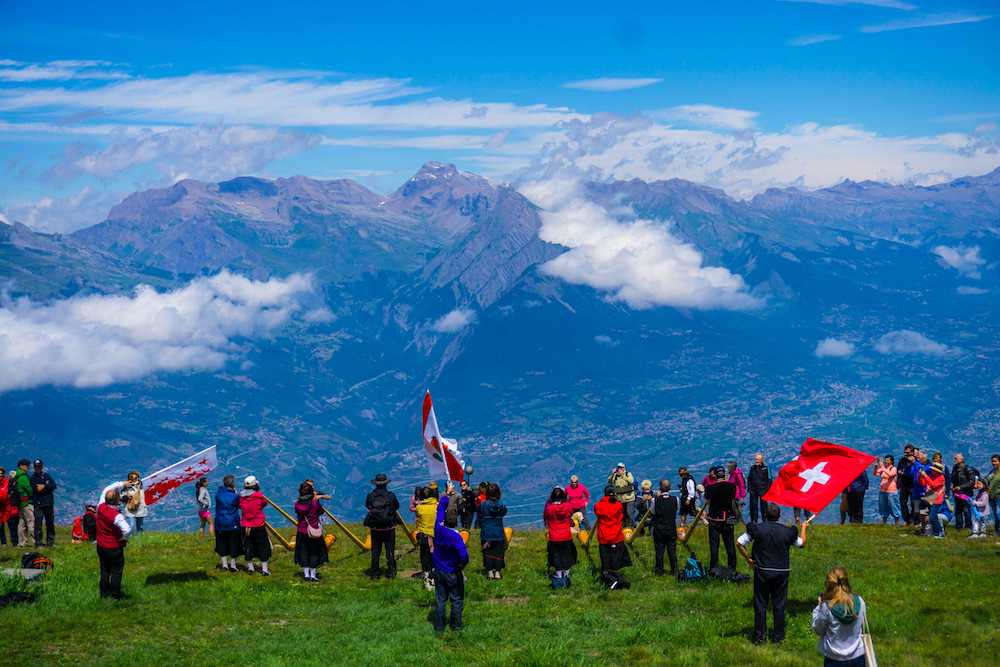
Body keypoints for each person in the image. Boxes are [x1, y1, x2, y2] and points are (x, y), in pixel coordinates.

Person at [737, 503, 810, 644]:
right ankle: (778, 637)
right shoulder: (788, 532)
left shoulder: (757, 529)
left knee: (760, 605)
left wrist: (749, 560)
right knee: (779, 605)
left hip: (762, 571)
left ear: (765, 515)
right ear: (779, 516)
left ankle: (759, 637)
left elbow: (739, 543)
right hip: (781, 573)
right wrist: (804, 528)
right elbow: (802, 543)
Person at [811, 567, 867, 666]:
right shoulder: (860, 602)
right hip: (858, 657)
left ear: (828, 585)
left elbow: (818, 629)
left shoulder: (827, 607)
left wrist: (819, 607)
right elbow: (861, 627)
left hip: (834, 659)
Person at [432, 494, 469, 633]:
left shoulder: (438, 529)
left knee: (440, 599)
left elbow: (440, 512)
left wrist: (445, 498)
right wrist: (461, 565)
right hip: (452, 570)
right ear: (456, 521)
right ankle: (456, 626)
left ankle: (439, 626)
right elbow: (464, 556)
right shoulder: (456, 536)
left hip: (438, 568)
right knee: (456, 598)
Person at [96, 488, 132, 600]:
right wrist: (123, 538)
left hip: (101, 546)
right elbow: (127, 529)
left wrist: (120, 500)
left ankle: (104, 594)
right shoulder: (116, 516)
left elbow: (106, 494)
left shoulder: (100, 507)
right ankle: (115, 596)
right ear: (116, 500)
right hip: (113, 547)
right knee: (116, 571)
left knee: (104, 570)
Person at [364, 472, 399, 579]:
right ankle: (391, 572)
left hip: (375, 528)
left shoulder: (370, 496)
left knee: (375, 551)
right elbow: (396, 506)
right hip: (389, 527)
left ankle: (375, 573)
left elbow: (367, 506)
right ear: (386, 484)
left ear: (375, 484)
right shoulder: (391, 496)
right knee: (389, 550)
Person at [704, 466, 738, 573]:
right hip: (728, 518)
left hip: (714, 519)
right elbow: (732, 500)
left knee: (714, 546)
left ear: (715, 475)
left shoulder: (710, 488)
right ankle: (732, 568)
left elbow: (708, 501)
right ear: (724, 474)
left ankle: (714, 567)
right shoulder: (732, 486)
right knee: (730, 545)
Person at [294, 482, 330, 582]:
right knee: (314, 552)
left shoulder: (297, 504)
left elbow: (299, 513)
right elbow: (321, 512)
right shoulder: (314, 502)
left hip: (302, 531)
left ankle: (306, 574)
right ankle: (313, 575)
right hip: (314, 531)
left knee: (303, 552)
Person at [543, 486, 577, 587]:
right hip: (566, 535)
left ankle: (558, 574)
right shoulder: (567, 506)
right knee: (567, 554)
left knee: (556, 555)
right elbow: (572, 513)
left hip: (554, 536)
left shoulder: (549, 508)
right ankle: (566, 573)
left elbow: (546, 519)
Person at [594, 485, 631, 575]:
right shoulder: (618, 505)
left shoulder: (599, 505)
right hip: (616, 536)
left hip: (604, 536)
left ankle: (607, 573)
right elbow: (621, 516)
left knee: (605, 557)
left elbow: (597, 512)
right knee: (616, 557)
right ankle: (616, 573)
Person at [239, 475, 271, 575]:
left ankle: (250, 568)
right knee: (263, 546)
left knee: (248, 546)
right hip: (258, 525)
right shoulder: (259, 496)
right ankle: (265, 569)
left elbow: (240, 506)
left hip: (245, 526)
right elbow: (264, 504)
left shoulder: (241, 497)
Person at [479, 482, 508, 579]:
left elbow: (480, 514)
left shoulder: (483, 505)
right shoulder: (501, 505)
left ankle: (490, 572)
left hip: (487, 533)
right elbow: (504, 512)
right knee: (498, 552)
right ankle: (498, 572)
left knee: (488, 552)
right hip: (499, 533)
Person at [214, 475, 242, 572]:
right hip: (232, 523)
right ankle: (233, 564)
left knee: (222, 543)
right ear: (233, 484)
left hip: (220, 523)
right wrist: (236, 492)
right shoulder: (235, 497)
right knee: (234, 543)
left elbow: (220, 491)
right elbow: (240, 505)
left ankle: (224, 564)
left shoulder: (218, 495)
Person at [650, 479, 678, 576]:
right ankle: (675, 570)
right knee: (672, 550)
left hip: (659, 529)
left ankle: (659, 571)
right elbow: (676, 509)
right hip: (671, 528)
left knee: (659, 551)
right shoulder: (675, 499)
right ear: (669, 488)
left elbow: (653, 512)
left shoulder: (655, 500)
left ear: (660, 488)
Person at [414, 485, 439, 590]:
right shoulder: (437, 506)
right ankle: (436, 577)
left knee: (425, 557)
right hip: (436, 535)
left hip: (424, 535)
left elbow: (418, 521)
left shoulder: (419, 508)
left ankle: (427, 578)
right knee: (436, 556)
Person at [30, 459, 57, 547]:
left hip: (49, 503)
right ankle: (38, 542)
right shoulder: (33, 478)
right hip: (38, 504)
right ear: (34, 467)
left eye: (39, 466)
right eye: (36, 466)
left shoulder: (47, 475)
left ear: (42, 466)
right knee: (38, 523)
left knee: (50, 522)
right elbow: (36, 489)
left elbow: (53, 485)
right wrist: (46, 487)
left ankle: (50, 541)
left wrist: (44, 486)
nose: (38, 468)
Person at [920, 462, 948, 538]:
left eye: (934, 470)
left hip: (937, 499)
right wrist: (921, 475)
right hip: (930, 497)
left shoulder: (941, 478)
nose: (932, 471)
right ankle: (934, 532)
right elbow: (923, 483)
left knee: (932, 517)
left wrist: (925, 475)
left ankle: (939, 532)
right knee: (931, 516)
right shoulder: (931, 476)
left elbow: (933, 485)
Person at [874, 455, 901, 525]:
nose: (886, 461)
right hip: (882, 491)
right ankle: (884, 522)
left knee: (894, 506)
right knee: (883, 506)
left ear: (891, 461)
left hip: (891, 491)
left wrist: (882, 466)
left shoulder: (893, 468)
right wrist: (876, 466)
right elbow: (875, 474)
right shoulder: (884, 468)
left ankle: (897, 522)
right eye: (885, 460)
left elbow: (890, 475)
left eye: (888, 460)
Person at [951, 453, 974, 532]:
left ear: (961, 459)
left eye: (956, 458)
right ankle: (959, 527)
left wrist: (961, 487)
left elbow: (972, 482)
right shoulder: (955, 468)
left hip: (965, 493)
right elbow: (953, 478)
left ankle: (968, 527)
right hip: (957, 492)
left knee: (966, 510)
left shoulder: (968, 468)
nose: (954, 459)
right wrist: (953, 485)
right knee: (958, 510)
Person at [13, 459, 34, 547]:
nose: (28, 467)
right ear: (21, 466)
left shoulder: (17, 476)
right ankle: (35, 541)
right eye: (27, 465)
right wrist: (33, 493)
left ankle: (22, 542)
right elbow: (28, 489)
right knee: (31, 521)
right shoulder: (23, 477)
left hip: (21, 502)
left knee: (22, 523)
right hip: (27, 502)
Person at [121, 471, 147, 537]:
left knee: (140, 527)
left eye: (136, 477)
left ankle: (140, 541)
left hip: (140, 509)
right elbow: (121, 497)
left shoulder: (141, 486)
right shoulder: (126, 487)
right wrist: (126, 497)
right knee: (132, 526)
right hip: (130, 509)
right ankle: (132, 539)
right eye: (132, 477)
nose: (134, 479)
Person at [747, 454, 771, 523]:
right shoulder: (752, 468)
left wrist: (766, 490)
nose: (756, 461)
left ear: (761, 460)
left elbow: (770, 479)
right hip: (753, 491)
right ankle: (754, 521)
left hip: (763, 490)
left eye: (757, 459)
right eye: (755, 459)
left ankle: (765, 521)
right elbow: (749, 478)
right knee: (753, 507)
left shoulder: (766, 468)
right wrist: (749, 489)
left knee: (764, 507)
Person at [897, 444, 916, 525]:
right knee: (902, 503)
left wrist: (904, 472)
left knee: (914, 504)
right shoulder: (902, 460)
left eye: (908, 453)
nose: (906, 454)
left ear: (912, 452)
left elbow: (914, 473)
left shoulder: (915, 461)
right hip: (904, 485)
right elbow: (899, 470)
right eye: (905, 452)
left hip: (913, 485)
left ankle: (913, 519)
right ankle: (907, 519)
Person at [4, 470, 19, 546]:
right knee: (15, 525)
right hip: (14, 507)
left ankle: (14, 541)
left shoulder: (7, 484)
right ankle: (15, 541)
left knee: (11, 526)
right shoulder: (16, 484)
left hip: (10, 507)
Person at [987, 454, 1000, 535]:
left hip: (999, 496)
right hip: (992, 496)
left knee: (999, 513)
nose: (993, 463)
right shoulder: (992, 471)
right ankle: (997, 531)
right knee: (995, 514)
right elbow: (987, 480)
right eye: (992, 461)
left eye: (995, 461)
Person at [0, 467, 8, 547]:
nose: (0, 475)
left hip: (4, 507)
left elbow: (4, 495)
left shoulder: (6, 482)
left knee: (1, 525)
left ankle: (3, 543)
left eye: (1, 474)